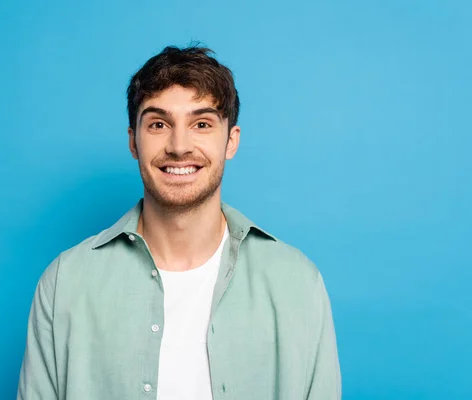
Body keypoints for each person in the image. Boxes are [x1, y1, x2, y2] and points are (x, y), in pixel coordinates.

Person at [17, 45, 341, 400]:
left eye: (201, 124)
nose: (179, 146)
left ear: (231, 141)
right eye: (158, 124)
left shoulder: (297, 283)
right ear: (133, 142)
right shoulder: (65, 283)